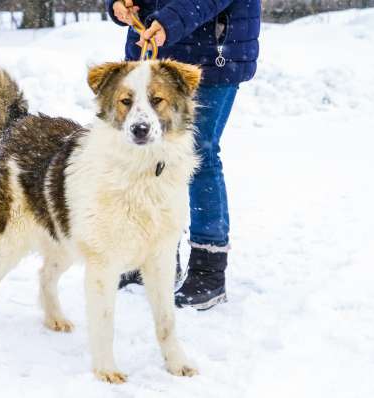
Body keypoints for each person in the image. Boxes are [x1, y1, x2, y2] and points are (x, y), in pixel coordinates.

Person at [107, 0, 261, 310]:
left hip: (211, 57)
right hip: (155, 52)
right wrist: (119, 5)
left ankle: (209, 269)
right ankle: (155, 256)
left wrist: (170, 20)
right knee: (148, 156)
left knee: (199, 153)